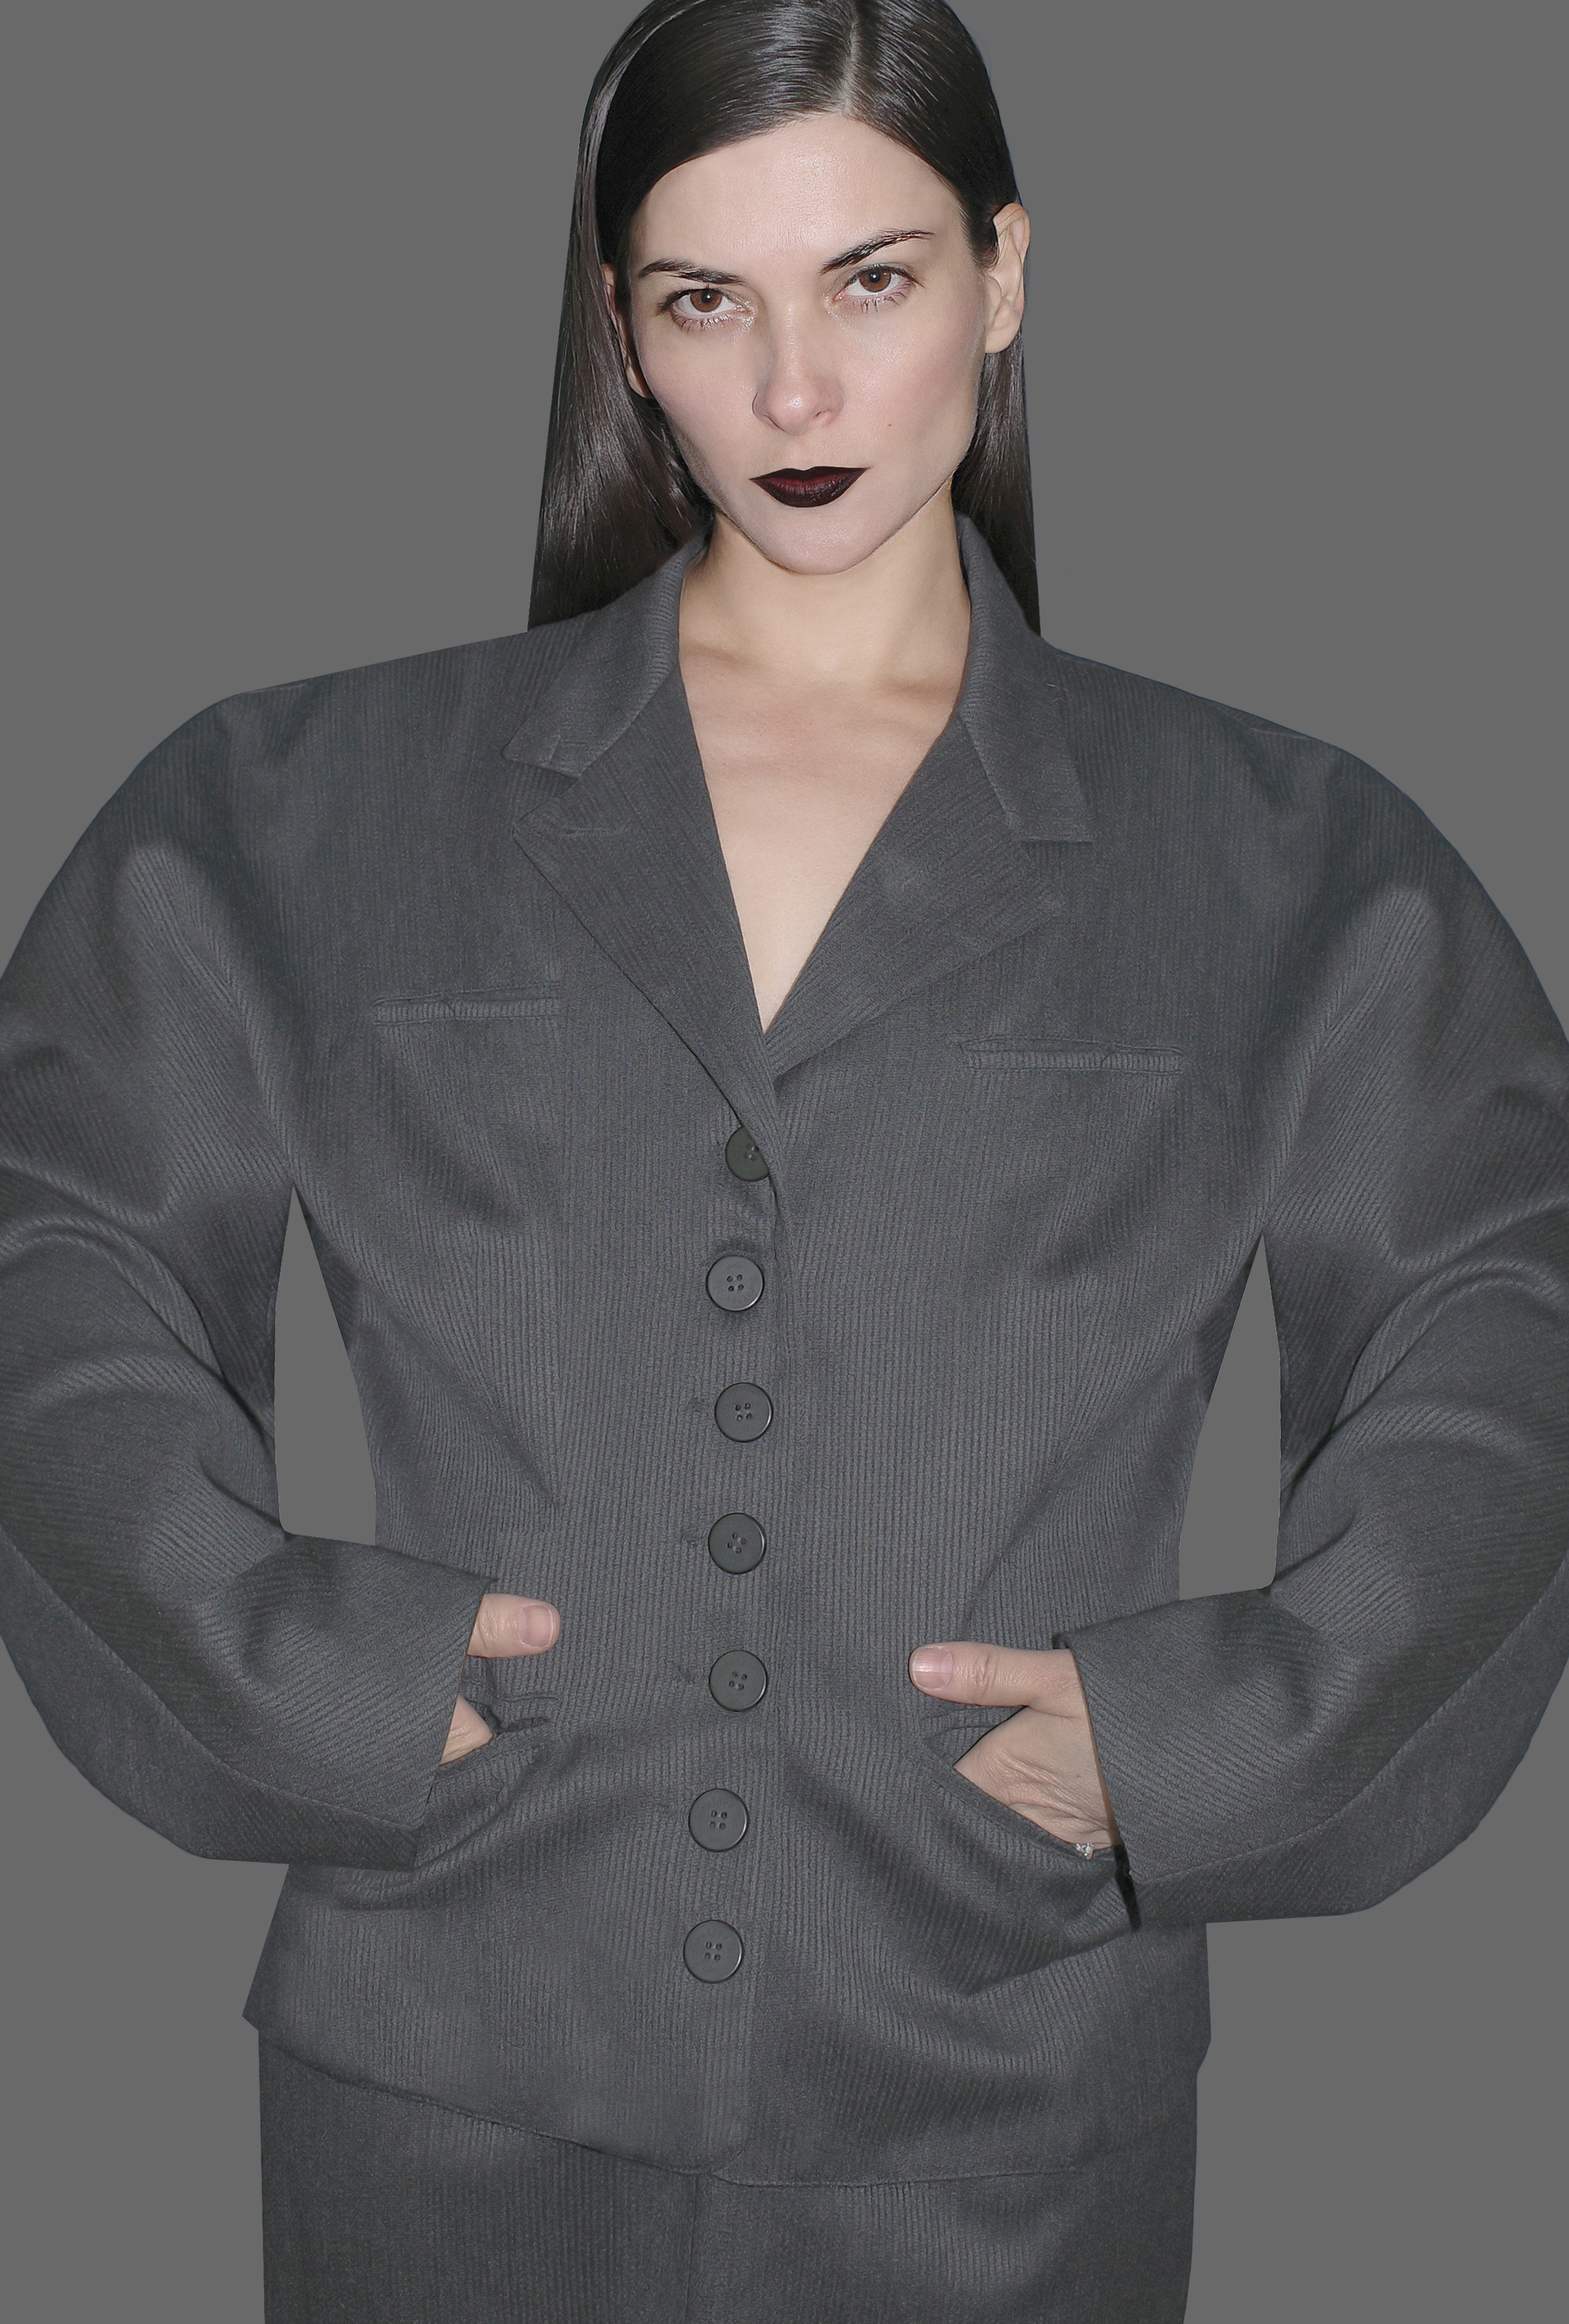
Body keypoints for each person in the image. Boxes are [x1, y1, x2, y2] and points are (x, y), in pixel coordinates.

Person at [0, 0, 1564, 2317]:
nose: (796, 393)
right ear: (621, 331)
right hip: (444, 2075)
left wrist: (1205, 1746)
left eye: (874, 279)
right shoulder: (297, 804)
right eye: (704, 300)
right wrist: (309, 1684)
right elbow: (59, 1254)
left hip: (1012, 2089)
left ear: (1006, 275)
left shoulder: (1293, 856)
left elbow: (1504, 1324)